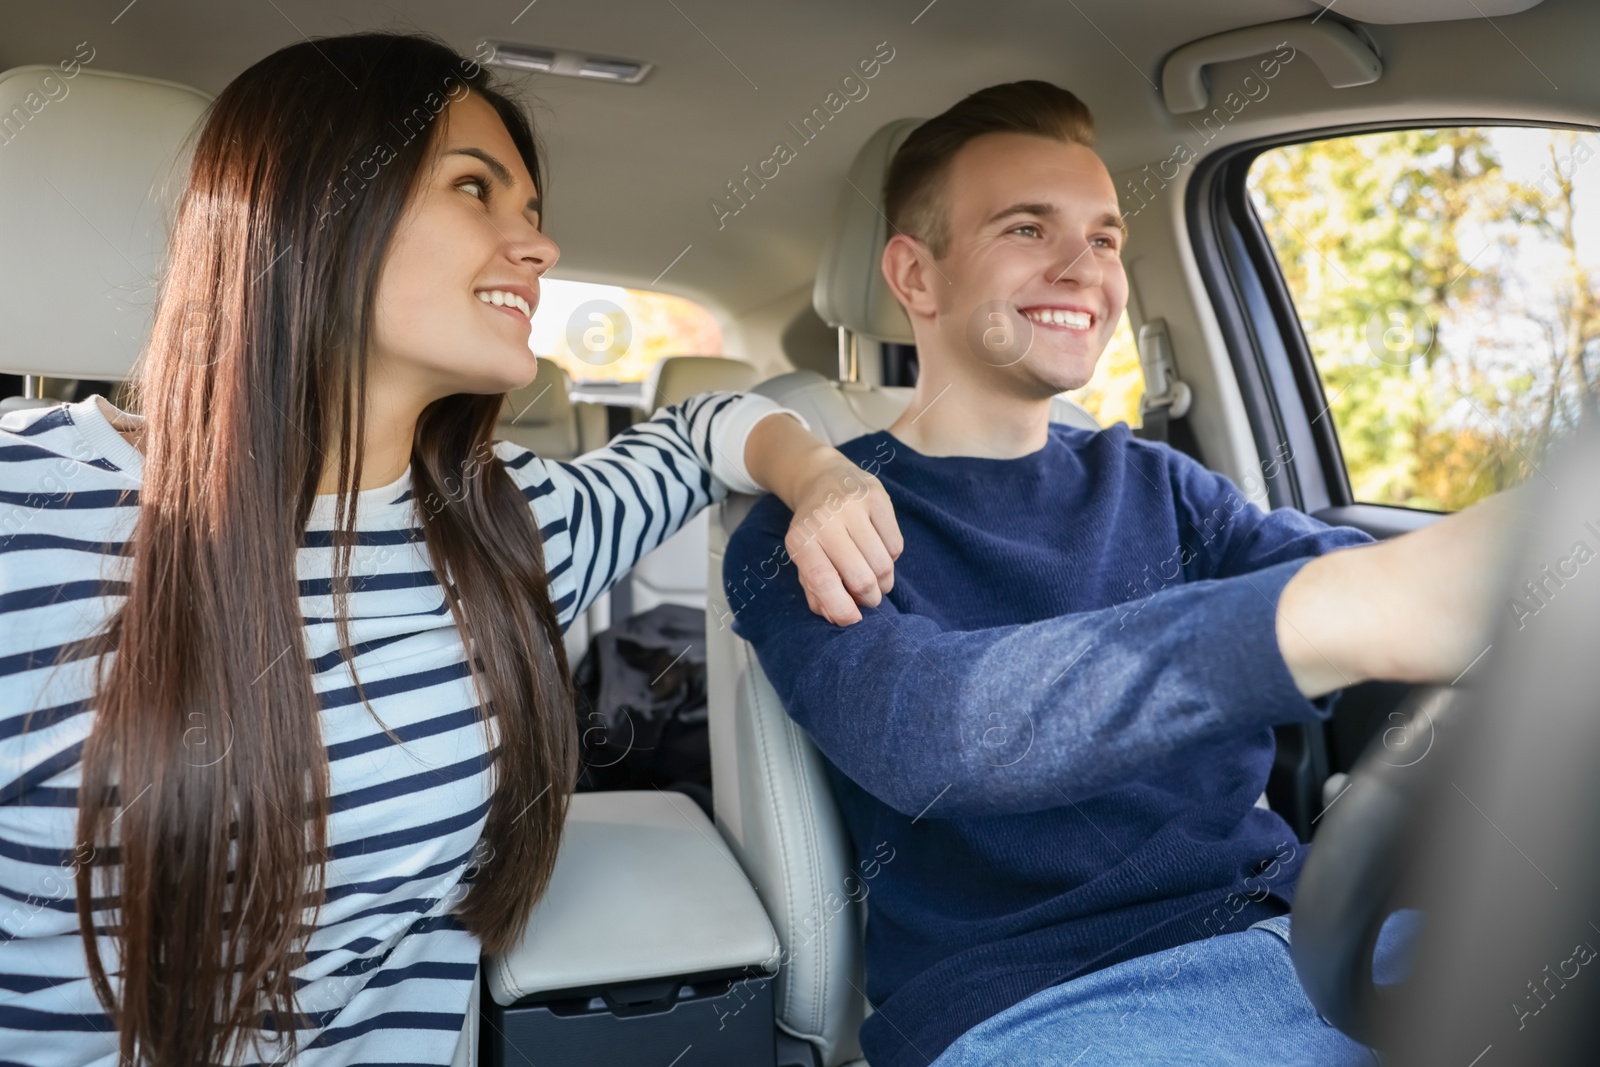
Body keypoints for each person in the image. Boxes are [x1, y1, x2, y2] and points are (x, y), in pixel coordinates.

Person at [0, 33, 903, 1067]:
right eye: (475, 188)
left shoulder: (512, 525)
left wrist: (819, 472)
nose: (540, 247)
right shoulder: (22, 505)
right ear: (309, 204)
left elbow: (708, 430)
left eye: (532, 213)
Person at [722, 80, 1518, 1067]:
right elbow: (927, 733)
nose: (1082, 266)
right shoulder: (805, 527)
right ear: (915, 276)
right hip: (1045, 999)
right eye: (1026, 227)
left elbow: (1337, 569)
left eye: (1104, 239)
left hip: (1306, 927)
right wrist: (1328, 616)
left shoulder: (1159, 481)